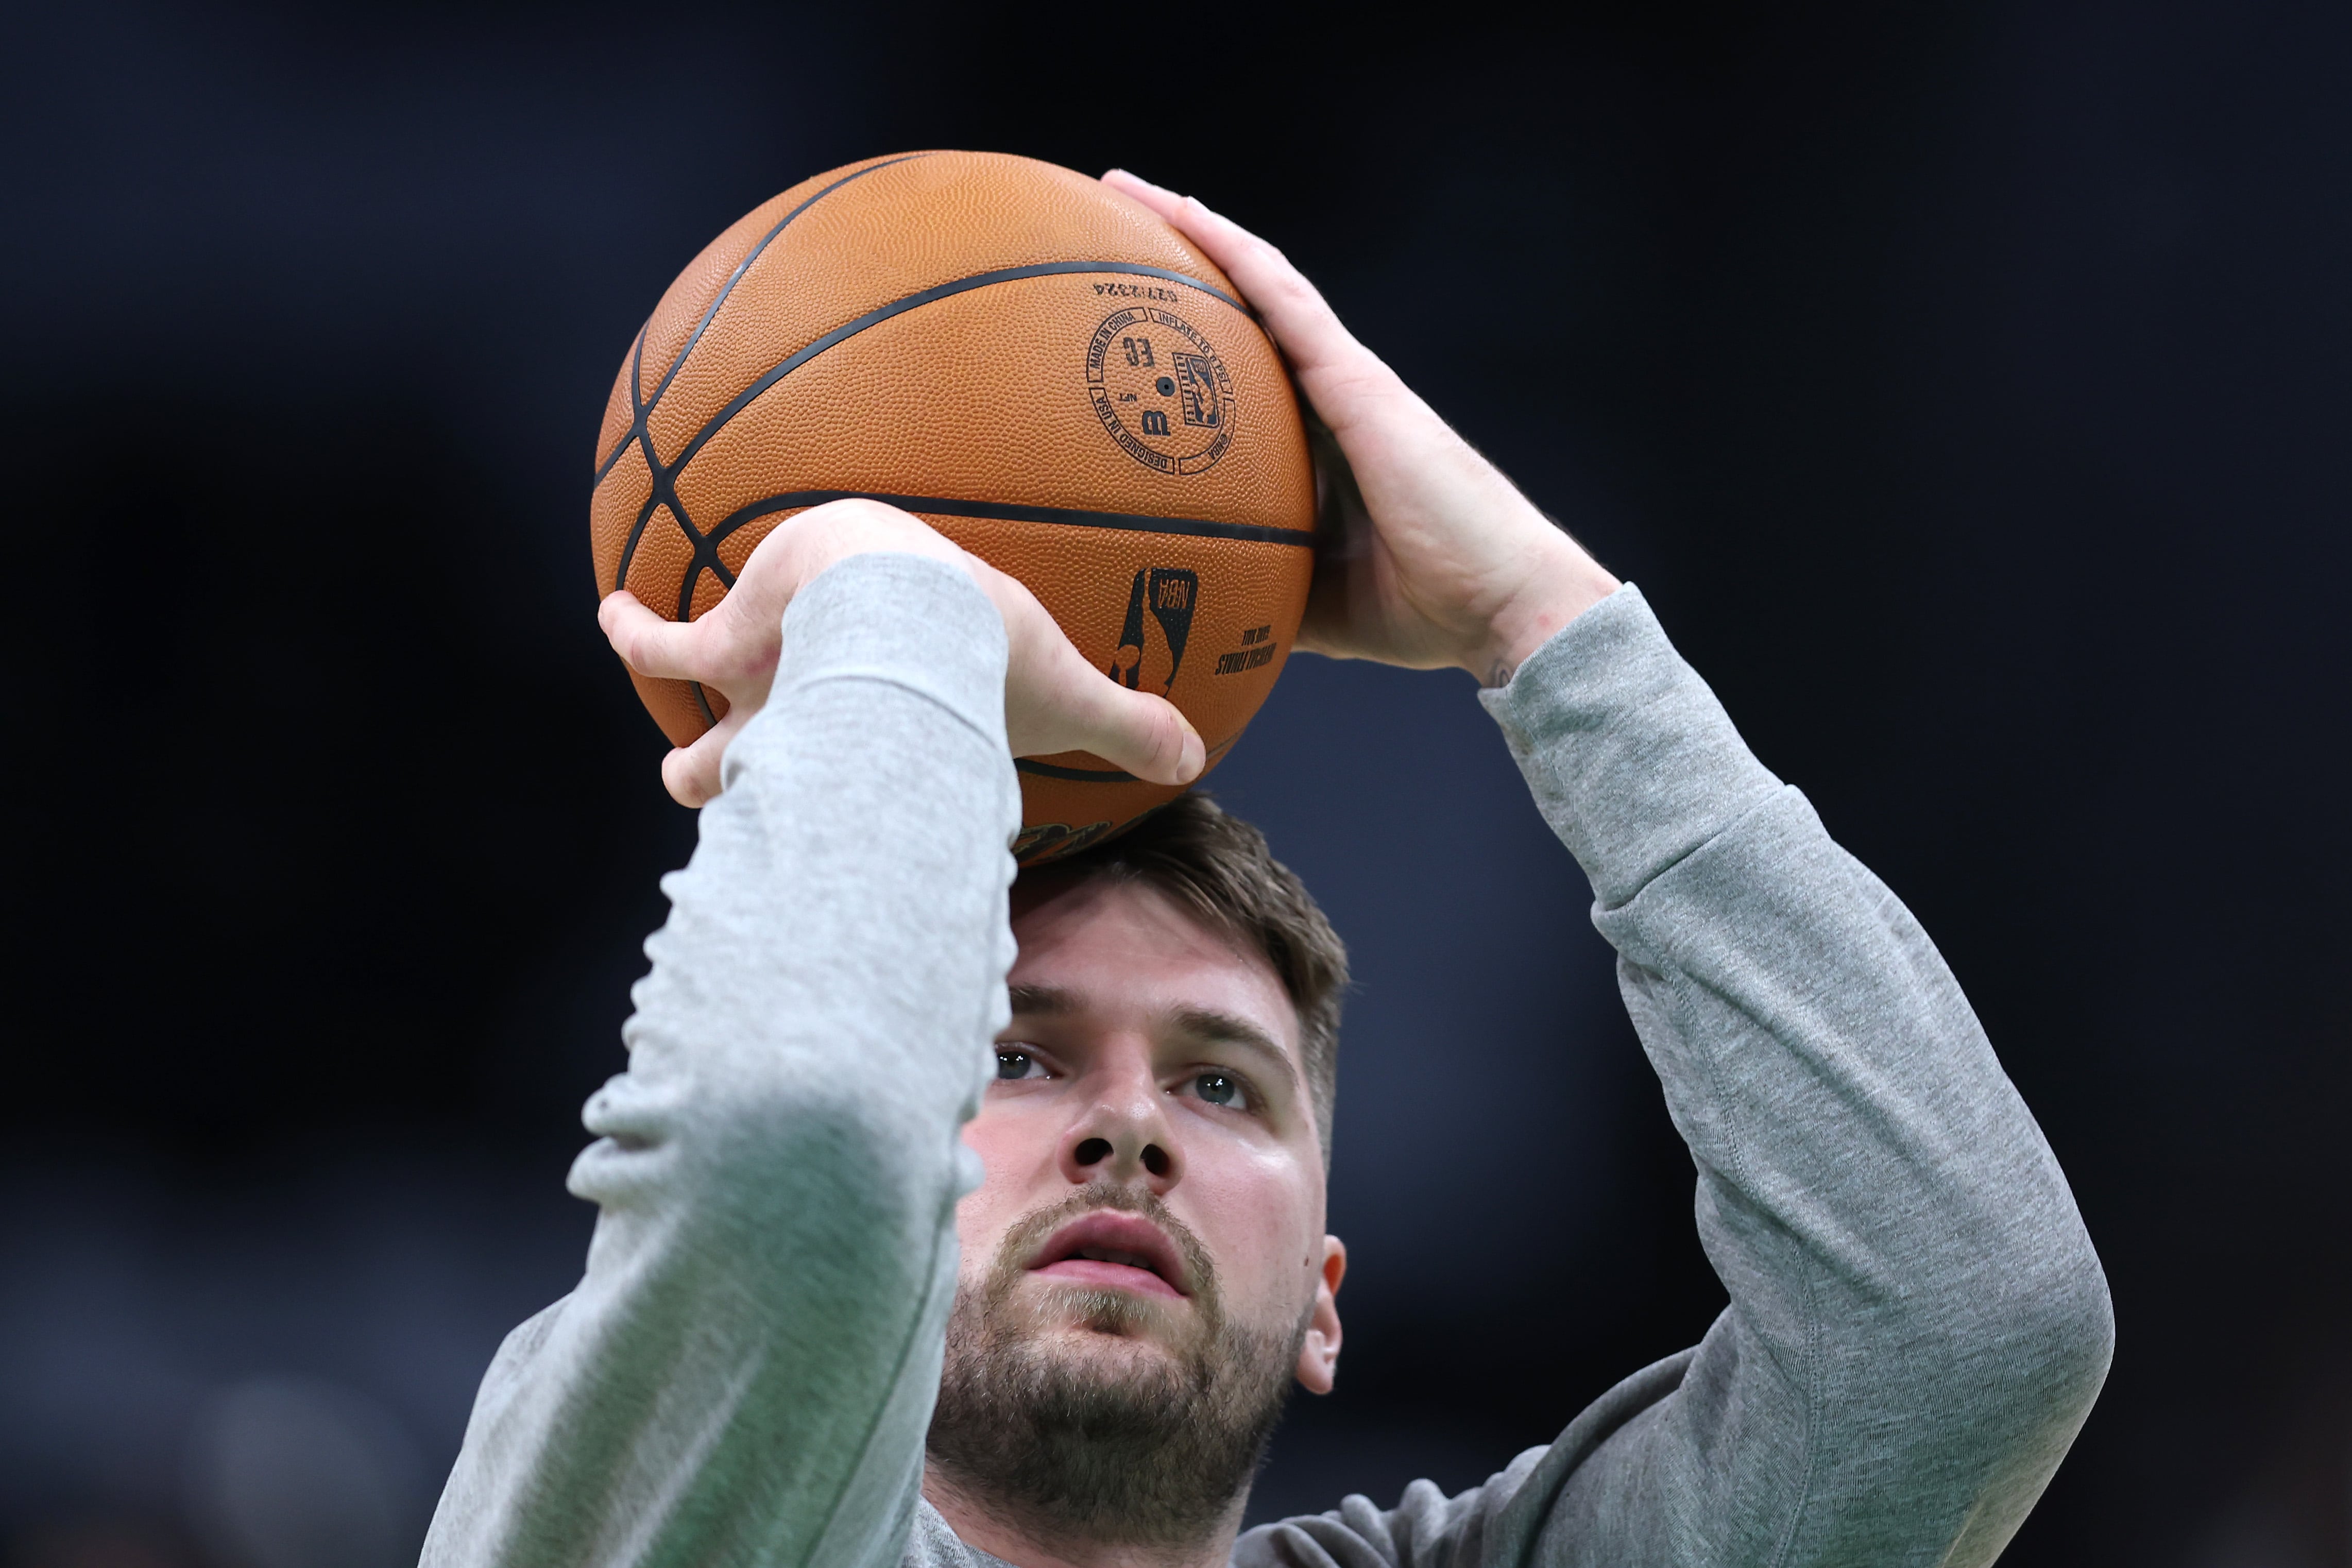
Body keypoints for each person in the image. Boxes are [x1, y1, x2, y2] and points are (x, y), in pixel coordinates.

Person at [421, 171, 2114, 1568]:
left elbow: (1971, 1335)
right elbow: (793, 1169)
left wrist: (1546, 626)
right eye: (1017, 1053)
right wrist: (893, 605)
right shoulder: (650, 1489)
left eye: (1226, 1086)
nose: (1130, 1122)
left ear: (1321, 1294)